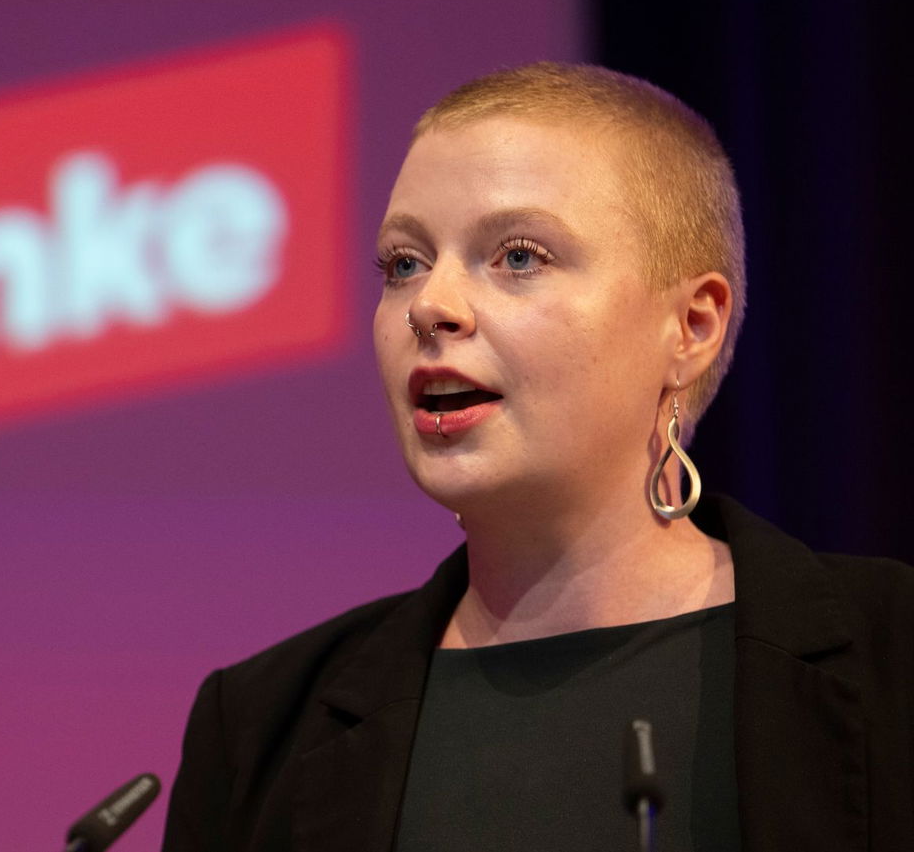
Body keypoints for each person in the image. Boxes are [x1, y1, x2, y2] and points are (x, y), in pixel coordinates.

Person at [160, 63, 914, 852]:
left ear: (691, 327)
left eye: (518, 257)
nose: (430, 305)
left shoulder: (890, 658)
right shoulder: (259, 730)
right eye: (403, 263)